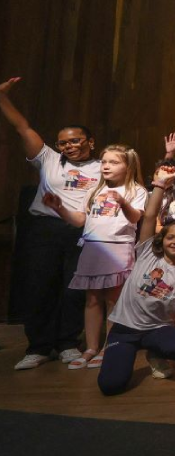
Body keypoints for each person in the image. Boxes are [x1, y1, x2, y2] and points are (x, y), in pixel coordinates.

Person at [0, 76, 99, 369]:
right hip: (44, 230)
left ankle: (68, 343)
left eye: (76, 140)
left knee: (73, 289)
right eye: (63, 142)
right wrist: (2, 97)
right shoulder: (48, 159)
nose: (69, 146)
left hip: (82, 230)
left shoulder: (102, 166)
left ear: (90, 142)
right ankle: (39, 347)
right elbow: (23, 127)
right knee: (40, 286)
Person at [97, 166, 175, 395]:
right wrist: (160, 185)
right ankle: (135, 352)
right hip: (124, 330)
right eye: (171, 237)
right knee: (110, 386)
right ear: (162, 240)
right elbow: (150, 217)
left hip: (156, 329)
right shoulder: (147, 253)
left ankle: (155, 352)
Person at [42, 144, 146, 370]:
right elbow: (80, 220)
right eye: (104, 161)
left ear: (128, 166)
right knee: (92, 299)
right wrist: (60, 209)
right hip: (91, 248)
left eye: (114, 162)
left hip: (117, 247)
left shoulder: (136, 190)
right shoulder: (93, 191)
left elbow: (135, 217)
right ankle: (91, 347)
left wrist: (123, 202)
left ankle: (110, 345)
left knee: (113, 301)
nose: (106, 166)